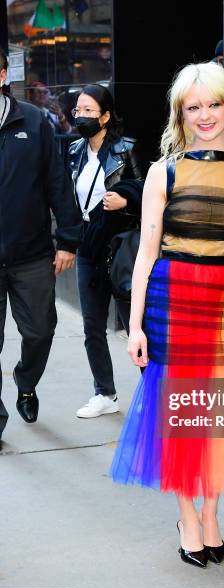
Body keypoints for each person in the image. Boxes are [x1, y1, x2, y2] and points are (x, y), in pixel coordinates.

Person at [110, 62, 224, 567]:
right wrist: (135, 324)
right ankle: (188, 515)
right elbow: (145, 253)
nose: (205, 115)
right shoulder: (164, 170)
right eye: (193, 107)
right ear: (180, 114)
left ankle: (212, 513)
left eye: (213, 104)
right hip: (171, 300)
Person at [0, 48, 82, 447]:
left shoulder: (33, 122)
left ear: (3, 75)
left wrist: (67, 239)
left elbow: (56, 182)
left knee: (40, 331)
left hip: (31, 253)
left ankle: (26, 380)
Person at [68, 84, 143, 419]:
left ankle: (154, 396)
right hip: (88, 246)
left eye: (88, 111)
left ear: (106, 115)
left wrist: (127, 198)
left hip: (122, 247)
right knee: (92, 325)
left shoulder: (127, 149)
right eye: (78, 111)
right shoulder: (73, 150)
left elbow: (149, 189)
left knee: (134, 325)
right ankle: (104, 393)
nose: (81, 116)